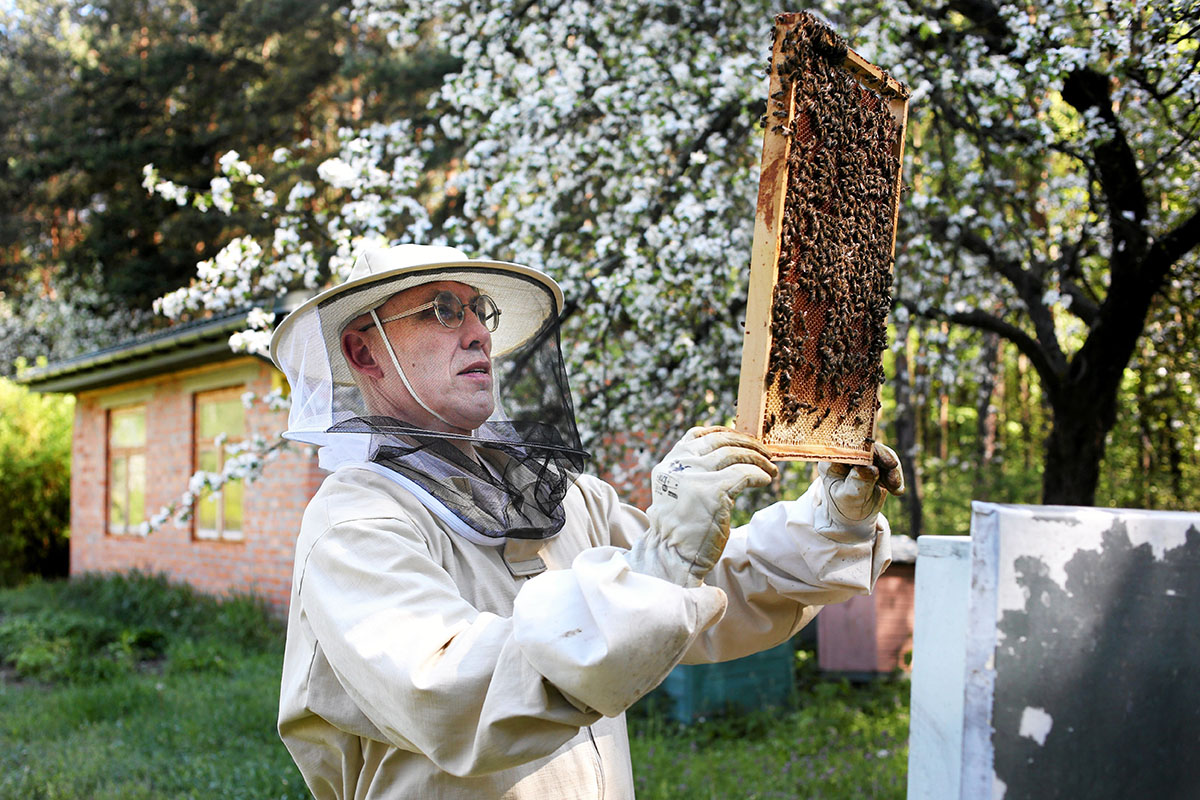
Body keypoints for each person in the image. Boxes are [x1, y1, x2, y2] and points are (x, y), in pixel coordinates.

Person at [271, 244, 904, 799]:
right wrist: (659, 565)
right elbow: (449, 694)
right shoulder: (356, 521)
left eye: (479, 311)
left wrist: (832, 520)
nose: (477, 334)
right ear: (365, 352)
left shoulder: (564, 498)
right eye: (441, 310)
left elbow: (714, 591)